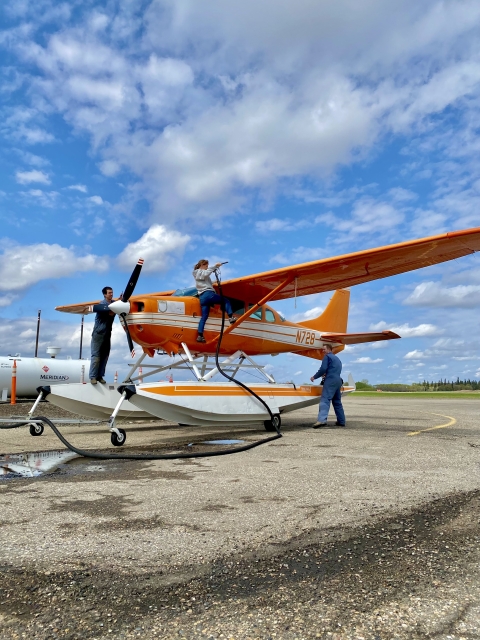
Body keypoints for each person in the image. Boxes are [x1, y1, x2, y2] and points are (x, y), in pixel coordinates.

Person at [193, 259, 236, 343]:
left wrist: (213, 282)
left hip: (202, 298)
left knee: (204, 317)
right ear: (202, 265)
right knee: (226, 300)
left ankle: (200, 336)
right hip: (208, 294)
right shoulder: (198, 272)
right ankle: (231, 317)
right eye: (206, 266)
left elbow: (205, 281)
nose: (207, 267)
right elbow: (205, 274)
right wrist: (215, 266)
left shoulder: (200, 274)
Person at [310, 344, 346, 428]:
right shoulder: (337, 359)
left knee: (325, 399)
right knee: (337, 402)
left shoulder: (327, 357)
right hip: (338, 381)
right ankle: (341, 421)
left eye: (324, 349)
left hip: (330, 381)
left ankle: (322, 420)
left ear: (329, 349)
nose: (323, 351)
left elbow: (323, 368)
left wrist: (314, 377)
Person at [89, 286, 115, 384]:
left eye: (112, 292)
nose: (111, 294)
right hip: (98, 333)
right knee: (96, 356)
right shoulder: (102, 304)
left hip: (107, 334)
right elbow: (111, 313)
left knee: (105, 356)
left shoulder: (113, 304)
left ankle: (100, 376)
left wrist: (121, 301)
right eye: (109, 293)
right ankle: (93, 377)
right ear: (104, 294)